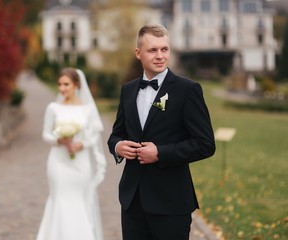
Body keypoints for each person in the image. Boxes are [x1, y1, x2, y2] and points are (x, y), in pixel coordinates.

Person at [107, 24, 215, 240]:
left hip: (171, 203)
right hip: (132, 202)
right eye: (152, 50)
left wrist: (160, 153)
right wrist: (118, 146)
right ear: (138, 53)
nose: (160, 56)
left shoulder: (188, 90)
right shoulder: (128, 91)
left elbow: (205, 144)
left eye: (164, 49)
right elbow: (116, 134)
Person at [36, 68, 106, 240]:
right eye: (59, 84)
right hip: (59, 162)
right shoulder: (53, 108)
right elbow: (46, 134)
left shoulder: (88, 109)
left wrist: (81, 144)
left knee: (78, 201)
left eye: (66, 84)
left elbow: (94, 135)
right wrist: (60, 140)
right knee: (59, 198)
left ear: (76, 85)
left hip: (80, 163)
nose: (62, 88)